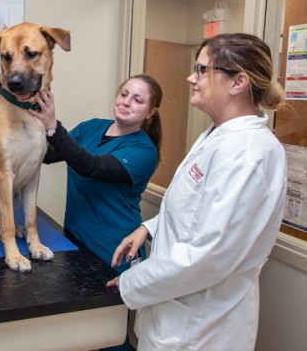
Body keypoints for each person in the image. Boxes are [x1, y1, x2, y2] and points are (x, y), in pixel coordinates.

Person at [107, 33, 287, 351]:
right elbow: (197, 209)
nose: (192, 77)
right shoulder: (219, 135)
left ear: (238, 82)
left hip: (200, 330)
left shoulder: (247, 153)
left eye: (203, 69)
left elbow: (209, 253)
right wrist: (149, 228)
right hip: (176, 317)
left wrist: (130, 282)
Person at [30, 74, 163, 350]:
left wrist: (54, 126)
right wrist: (28, 116)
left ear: (150, 112)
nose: (126, 102)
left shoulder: (143, 150)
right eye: (124, 94)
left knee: (109, 333)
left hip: (113, 251)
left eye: (137, 100)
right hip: (78, 244)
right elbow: (50, 154)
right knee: (81, 329)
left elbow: (90, 166)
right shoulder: (92, 127)